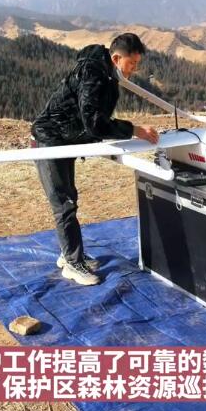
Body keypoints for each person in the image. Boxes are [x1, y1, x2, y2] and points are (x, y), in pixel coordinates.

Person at [31, 33, 159, 286]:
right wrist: (134, 129)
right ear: (116, 58)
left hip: (64, 139)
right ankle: (72, 263)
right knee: (64, 203)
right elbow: (94, 122)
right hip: (49, 141)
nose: (133, 70)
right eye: (132, 64)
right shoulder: (93, 74)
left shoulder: (105, 72)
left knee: (69, 197)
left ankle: (69, 252)